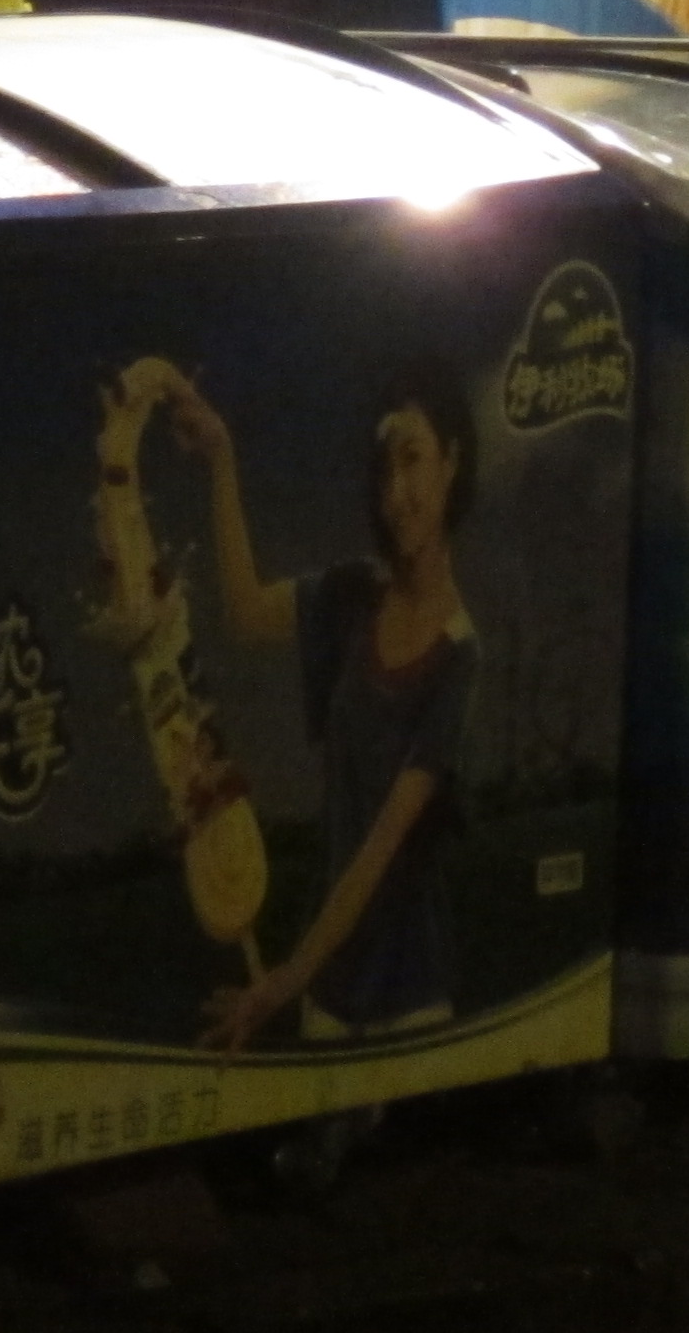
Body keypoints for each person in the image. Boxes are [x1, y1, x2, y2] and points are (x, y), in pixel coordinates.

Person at [167, 360, 482, 1052]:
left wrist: (283, 981)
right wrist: (222, 460)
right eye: (384, 468)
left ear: (452, 462)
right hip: (329, 983)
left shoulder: (459, 656)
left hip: (410, 990)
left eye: (413, 460)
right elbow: (247, 612)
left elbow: (382, 844)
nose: (396, 493)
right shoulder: (352, 594)